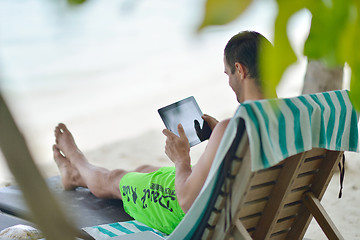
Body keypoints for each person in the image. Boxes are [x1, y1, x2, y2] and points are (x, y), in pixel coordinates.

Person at [53, 30, 272, 235]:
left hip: (197, 214)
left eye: (228, 74)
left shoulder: (232, 127)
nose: (229, 82)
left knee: (115, 178)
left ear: (240, 70)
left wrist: (181, 160)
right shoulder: (288, 122)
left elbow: (187, 202)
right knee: (143, 169)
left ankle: (77, 161)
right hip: (252, 210)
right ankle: (74, 177)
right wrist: (219, 139)